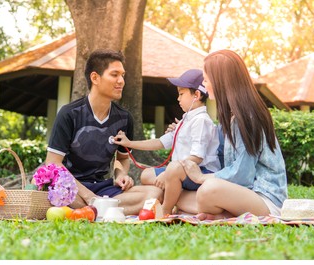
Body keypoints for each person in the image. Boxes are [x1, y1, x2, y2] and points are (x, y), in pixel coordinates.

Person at [45, 49, 162, 215]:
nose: (121, 81)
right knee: (59, 194)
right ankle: (100, 208)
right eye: (114, 75)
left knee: (154, 194)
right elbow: (52, 163)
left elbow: (122, 158)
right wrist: (88, 195)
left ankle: (93, 211)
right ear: (95, 78)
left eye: (122, 75)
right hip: (72, 188)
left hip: (102, 188)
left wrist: (121, 174)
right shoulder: (69, 114)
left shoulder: (124, 118)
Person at [178, 50, 288, 219]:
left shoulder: (248, 117)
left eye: (206, 80)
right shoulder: (229, 118)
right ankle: (223, 214)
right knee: (177, 195)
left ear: (221, 80)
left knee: (207, 191)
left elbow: (243, 174)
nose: (205, 85)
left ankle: (221, 213)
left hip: (265, 199)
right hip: (243, 194)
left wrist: (201, 177)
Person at [113, 69, 220, 215]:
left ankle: (166, 210)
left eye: (181, 94)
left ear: (196, 95)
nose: (178, 99)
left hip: (200, 171)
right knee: (147, 175)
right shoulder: (186, 119)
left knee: (171, 171)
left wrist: (169, 173)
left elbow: (197, 157)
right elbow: (160, 142)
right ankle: (175, 194)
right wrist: (129, 143)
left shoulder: (201, 121)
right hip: (182, 171)